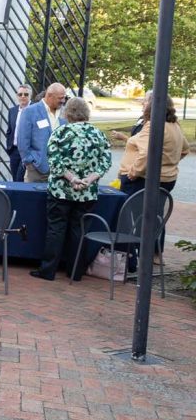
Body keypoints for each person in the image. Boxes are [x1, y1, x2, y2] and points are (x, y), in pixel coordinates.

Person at [29, 97, 111, 281]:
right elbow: (105, 162)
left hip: (61, 190)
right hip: (87, 193)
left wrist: (72, 178)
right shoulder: (98, 134)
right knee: (79, 231)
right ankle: (75, 272)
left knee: (55, 230)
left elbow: (54, 161)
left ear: (68, 113)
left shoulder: (60, 132)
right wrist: (89, 179)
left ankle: (48, 270)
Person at [117, 94, 188, 263]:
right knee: (155, 216)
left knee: (134, 217)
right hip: (166, 179)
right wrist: (168, 163)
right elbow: (184, 149)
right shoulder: (174, 125)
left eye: (146, 101)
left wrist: (133, 172)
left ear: (153, 105)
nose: (143, 103)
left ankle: (133, 256)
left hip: (142, 179)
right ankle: (153, 253)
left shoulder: (153, 125)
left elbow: (145, 153)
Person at [17, 82, 67, 182]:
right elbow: (22, 141)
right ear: (49, 96)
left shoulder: (65, 112)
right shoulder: (30, 111)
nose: (63, 101)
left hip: (62, 171)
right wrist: (30, 162)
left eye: (64, 97)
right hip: (37, 170)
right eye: (60, 98)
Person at [5, 84, 32, 181]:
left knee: (20, 178)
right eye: (20, 94)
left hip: (28, 151)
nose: (23, 96)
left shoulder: (35, 110)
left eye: (26, 94)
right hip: (14, 151)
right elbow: (10, 131)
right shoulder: (12, 111)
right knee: (15, 179)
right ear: (17, 96)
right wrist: (9, 148)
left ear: (30, 96)